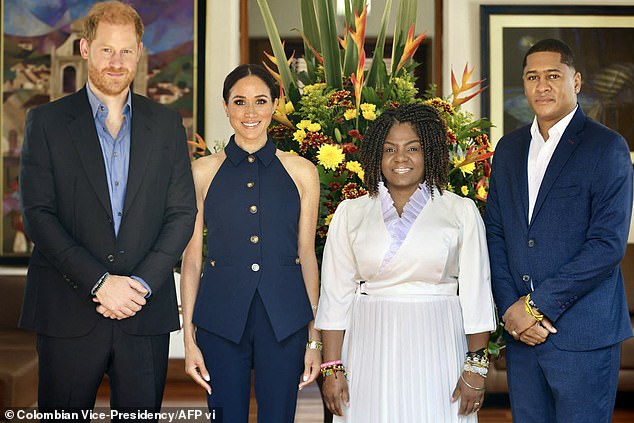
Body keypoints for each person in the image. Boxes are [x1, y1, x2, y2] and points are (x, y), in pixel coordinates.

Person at [18, 1, 196, 417]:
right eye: (105, 50)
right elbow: (39, 216)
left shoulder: (168, 125)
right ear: (84, 49)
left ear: (139, 51)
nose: (116, 62)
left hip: (143, 312)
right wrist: (100, 283)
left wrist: (139, 286)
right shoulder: (44, 123)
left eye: (126, 51)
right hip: (67, 310)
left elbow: (181, 213)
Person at [315, 103, 497, 422]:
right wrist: (332, 368)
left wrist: (476, 367)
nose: (401, 158)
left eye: (412, 148)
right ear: (376, 156)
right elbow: (335, 295)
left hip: (439, 343)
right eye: (390, 149)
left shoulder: (460, 211)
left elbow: (477, 296)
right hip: (367, 346)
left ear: (430, 153)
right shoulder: (351, 213)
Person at [485, 38, 633, 423]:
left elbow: (606, 245)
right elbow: (495, 233)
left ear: (577, 81)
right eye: (532, 77)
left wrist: (535, 307)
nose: (542, 85)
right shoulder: (509, 149)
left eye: (554, 75)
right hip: (523, 337)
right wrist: (511, 310)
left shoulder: (607, 147)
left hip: (583, 335)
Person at [180, 64, 322, 422]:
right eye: (239, 102)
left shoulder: (302, 171)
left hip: (285, 320)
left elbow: (306, 255)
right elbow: (192, 260)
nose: (250, 112)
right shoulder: (202, 172)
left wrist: (314, 339)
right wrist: (188, 339)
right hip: (219, 320)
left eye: (260, 101)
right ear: (225, 106)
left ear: (275, 104)